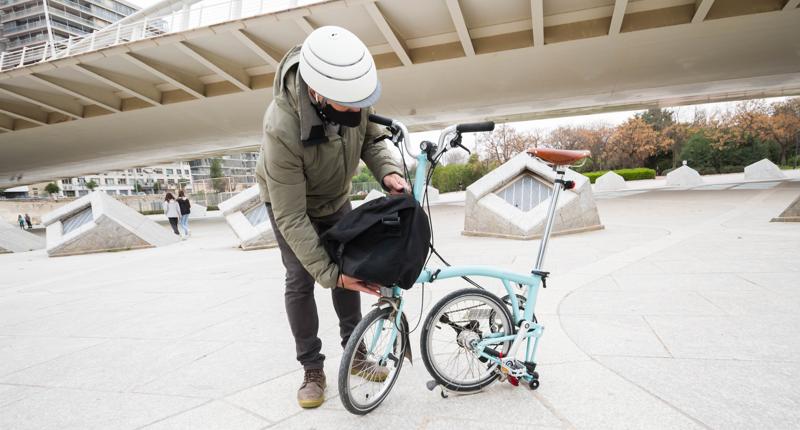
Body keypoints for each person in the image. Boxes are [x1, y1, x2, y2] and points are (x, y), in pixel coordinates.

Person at [255, 26, 408, 409]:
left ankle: (355, 352)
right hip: (290, 204)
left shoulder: (351, 92)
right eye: (349, 106)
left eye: (361, 103)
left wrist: (387, 170)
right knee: (301, 279)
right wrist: (329, 273)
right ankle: (312, 369)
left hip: (335, 198)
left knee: (350, 267)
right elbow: (291, 215)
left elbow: (371, 136)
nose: (358, 110)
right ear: (319, 94)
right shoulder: (281, 127)